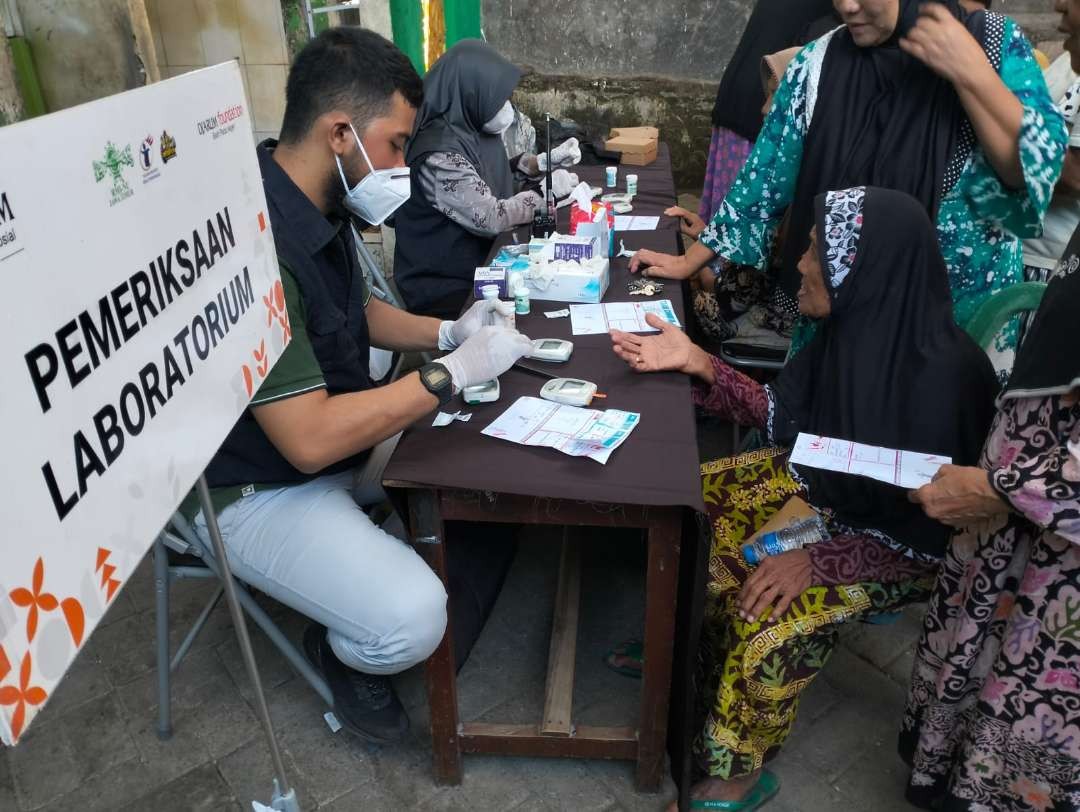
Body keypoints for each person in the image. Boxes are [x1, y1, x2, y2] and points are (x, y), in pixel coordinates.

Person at [180, 28, 533, 745]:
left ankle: (372, 535)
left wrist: (446, 334)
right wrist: (450, 374)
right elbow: (307, 443)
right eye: (398, 144)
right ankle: (342, 651)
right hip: (257, 488)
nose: (405, 161)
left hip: (332, 440)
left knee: (482, 447)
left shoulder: (314, 200)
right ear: (340, 132)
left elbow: (357, 311)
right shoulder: (254, 246)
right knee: (413, 618)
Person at [610, 187, 1000, 810]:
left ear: (859, 269)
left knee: (763, 614)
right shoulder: (848, 334)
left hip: (896, 546)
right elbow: (784, 420)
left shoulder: (948, 383)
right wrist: (697, 362)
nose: (800, 263)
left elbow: (937, 540)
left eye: (817, 251)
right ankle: (678, 649)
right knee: (690, 502)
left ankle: (739, 767)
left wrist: (818, 559)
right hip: (821, 494)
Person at [631, 0, 1066, 372]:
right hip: (846, 330)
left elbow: (1029, 175)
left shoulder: (990, 42)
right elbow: (761, 181)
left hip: (957, 331)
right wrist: (691, 262)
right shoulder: (819, 63)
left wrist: (970, 74)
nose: (846, 5)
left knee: (941, 463)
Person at [898, 1, 1080, 805]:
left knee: (1027, 716)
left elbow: (1028, 182)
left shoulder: (997, 53)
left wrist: (1004, 487)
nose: (1063, 16)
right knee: (982, 663)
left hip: (1050, 535)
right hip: (1017, 509)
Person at [393, 39, 580, 319]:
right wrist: (544, 195)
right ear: (470, 92)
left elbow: (486, 175)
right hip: (446, 281)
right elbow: (490, 216)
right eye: (497, 97)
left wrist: (538, 163)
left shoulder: (469, 126)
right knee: (540, 306)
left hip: (481, 260)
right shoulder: (439, 154)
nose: (505, 107)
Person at [669, 47, 804, 344]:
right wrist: (709, 238)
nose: (765, 109)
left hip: (774, 317)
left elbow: (760, 283)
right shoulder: (781, 172)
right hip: (752, 298)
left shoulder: (800, 187)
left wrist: (704, 270)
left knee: (682, 304)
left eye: (776, 97)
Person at [698, 0, 836, 224]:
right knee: (744, 212)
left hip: (739, 92)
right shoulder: (836, 17)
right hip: (763, 101)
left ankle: (713, 251)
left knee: (727, 207)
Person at [1022, 50, 1080, 288]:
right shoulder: (1069, 60)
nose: (1059, 10)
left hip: (1047, 262)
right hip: (1028, 252)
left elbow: (1075, 177)